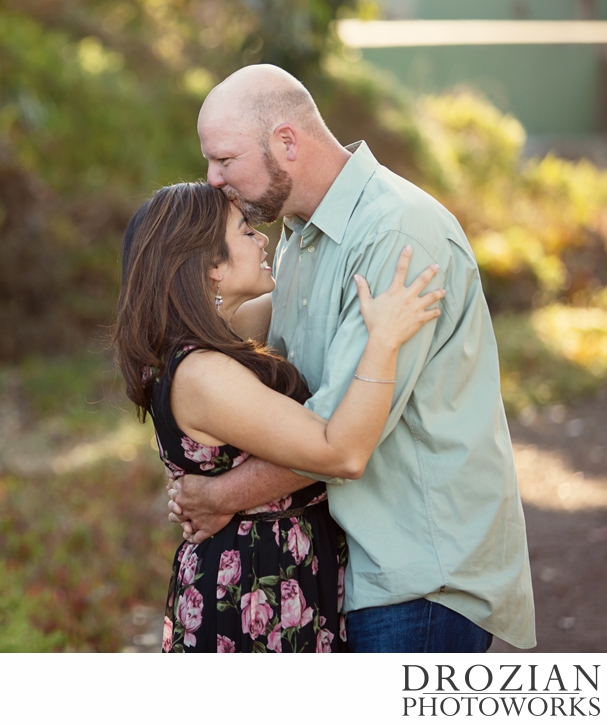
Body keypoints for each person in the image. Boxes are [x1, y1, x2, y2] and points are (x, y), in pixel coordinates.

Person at [167, 64, 536, 652]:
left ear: (287, 142)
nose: (212, 180)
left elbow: (338, 441)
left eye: (225, 160)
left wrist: (218, 495)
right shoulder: (302, 235)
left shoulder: (396, 235)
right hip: (348, 573)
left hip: (416, 578)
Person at [114, 181, 443, 652]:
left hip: (274, 577)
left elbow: (316, 293)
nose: (263, 238)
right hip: (254, 593)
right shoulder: (203, 373)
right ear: (212, 265)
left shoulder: (205, 340)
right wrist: (384, 341)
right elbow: (339, 452)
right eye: (246, 231)